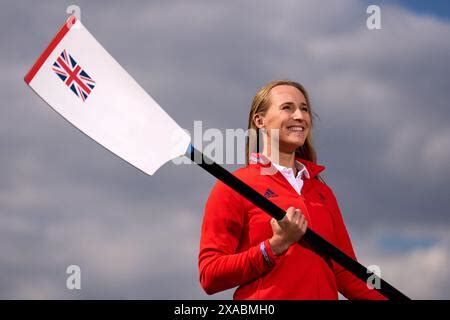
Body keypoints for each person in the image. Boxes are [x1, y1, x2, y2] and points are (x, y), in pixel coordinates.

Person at [198, 80, 386, 300]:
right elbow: (209, 275)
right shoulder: (233, 186)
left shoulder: (323, 193)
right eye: (287, 107)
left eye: (304, 109)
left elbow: (348, 273)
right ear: (260, 121)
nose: (300, 116)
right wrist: (274, 246)